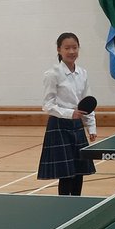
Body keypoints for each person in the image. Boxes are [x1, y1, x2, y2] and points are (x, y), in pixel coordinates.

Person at [37, 32, 97, 195]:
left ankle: (77, 203)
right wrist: (70, 113)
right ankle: (65, 205)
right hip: (59, 125)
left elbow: (87, 101)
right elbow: (47, 105)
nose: (71, 51)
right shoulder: (52, 74)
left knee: (79, 170)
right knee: (66, 173)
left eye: (74, 47)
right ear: (59, 50)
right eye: (67, 48)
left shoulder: (83, 73)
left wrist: (91, 127)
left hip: (77, 126)